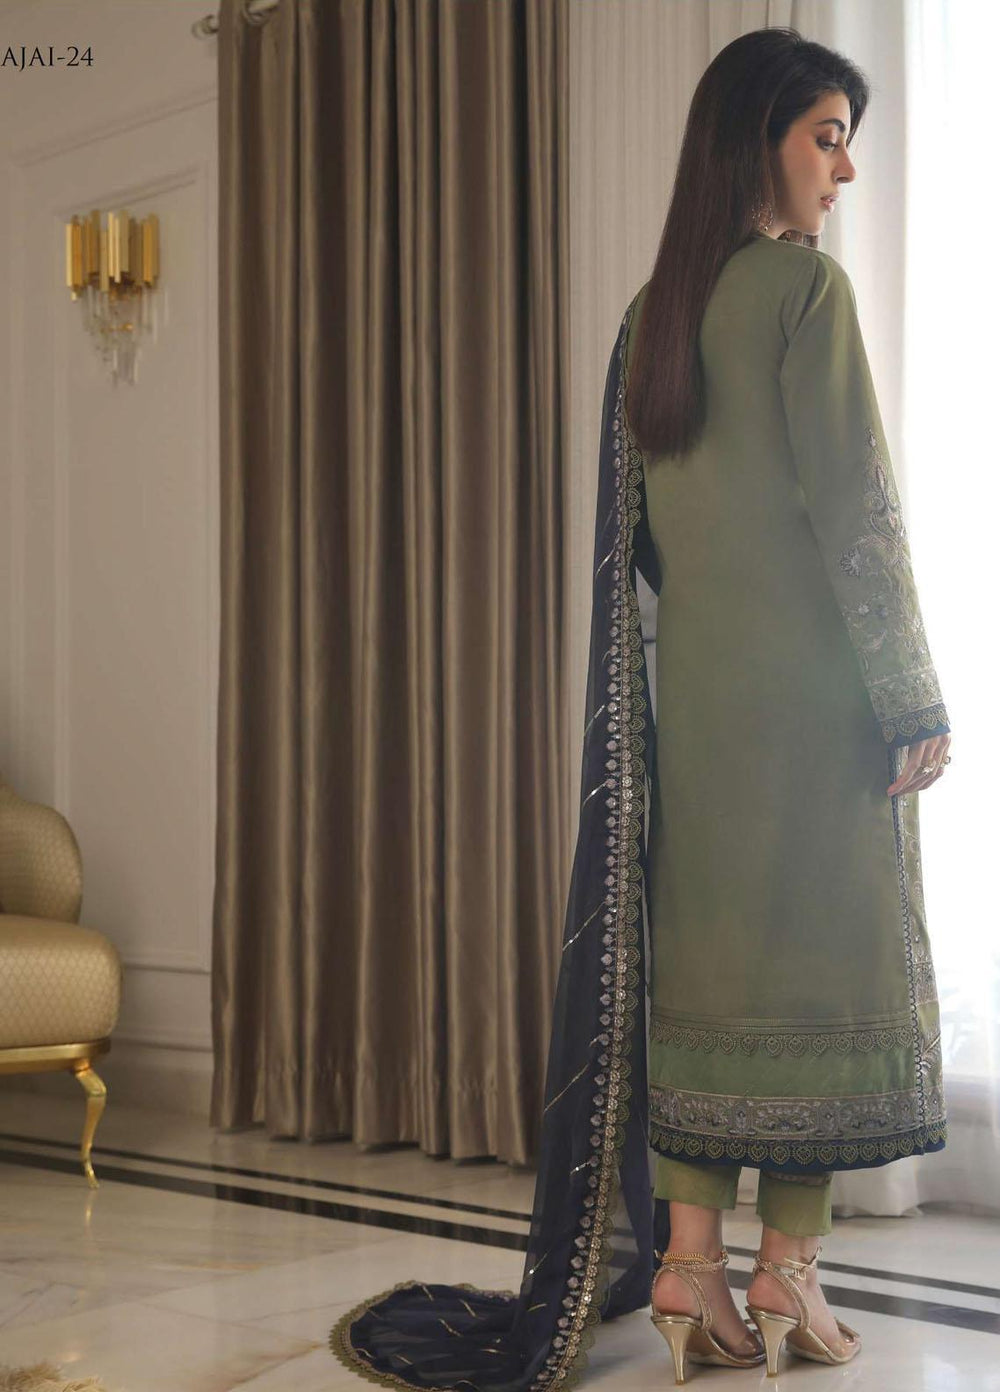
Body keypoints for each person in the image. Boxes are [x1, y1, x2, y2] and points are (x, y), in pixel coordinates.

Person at [331, 26, 950, 1391]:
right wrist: (910, 691)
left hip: (695, 716)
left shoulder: (648, 317)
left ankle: (689, 1266)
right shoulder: (805, 292)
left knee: (709, 981)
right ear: (757, 140)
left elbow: (645, 551)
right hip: (814, 705)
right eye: (827, 137)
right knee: (822, 974)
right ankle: (791, 1273)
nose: (844, 171)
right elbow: (855, 510)